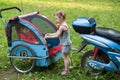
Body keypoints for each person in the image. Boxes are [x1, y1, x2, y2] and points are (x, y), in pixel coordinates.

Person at [45, 10, 72, 76]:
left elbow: (57, 35)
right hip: (67, 43)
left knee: (64, 57)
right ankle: (68, 67)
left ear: (61, 18)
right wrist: (49, 34)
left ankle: (66, 71)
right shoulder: (63, 24)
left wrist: (48, 37)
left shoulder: (62, 27)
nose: (56, 20)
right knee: (66, 56)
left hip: (65, 44)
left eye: (56, 19)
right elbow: (57, 33)